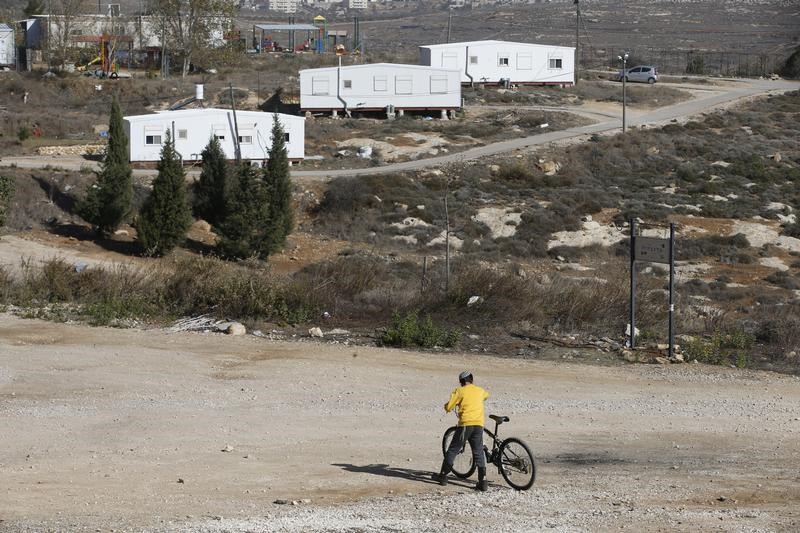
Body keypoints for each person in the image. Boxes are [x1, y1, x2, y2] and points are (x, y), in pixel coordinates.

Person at [433, 371, 490, 491]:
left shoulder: (459, 391)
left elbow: (449, 407)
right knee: (478, 451)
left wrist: (448, 406)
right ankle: (483, 481)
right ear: (472, 380)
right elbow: (486, 395)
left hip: (465, 424)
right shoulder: (480, 390)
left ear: (461, 382)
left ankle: (443, 476)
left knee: (453, 449)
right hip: (479, 424)